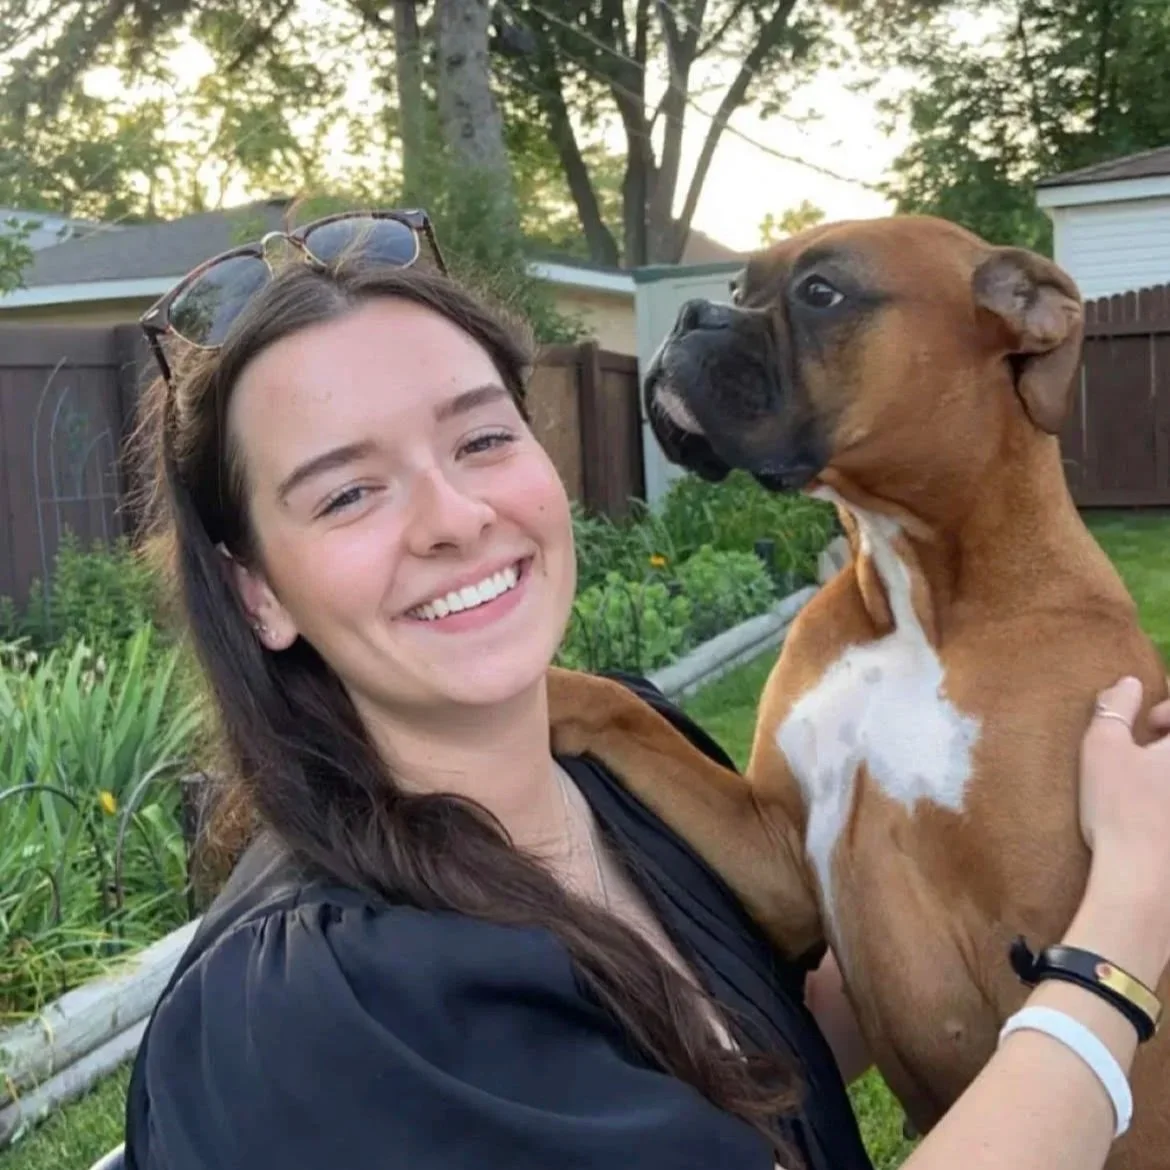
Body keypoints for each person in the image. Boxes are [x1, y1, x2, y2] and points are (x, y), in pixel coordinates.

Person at [121, 208, 1170, 1170]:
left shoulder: (618, 773)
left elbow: (780, 993)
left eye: (483, 437)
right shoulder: (323, 1012)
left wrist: (598, 717)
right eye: (348, 492)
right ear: (254, 592)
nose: (453, 516)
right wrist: (1124, 919)